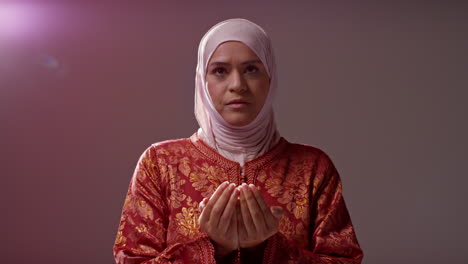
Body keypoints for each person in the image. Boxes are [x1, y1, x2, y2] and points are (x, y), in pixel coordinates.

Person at [113, 18, 363, 263]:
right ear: (202, 82)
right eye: (220, 71)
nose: (237, 85)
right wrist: (213, 248)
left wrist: (268, 248)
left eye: (251, 70)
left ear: (270, 78)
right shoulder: (160, 163)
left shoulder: (313, 168)